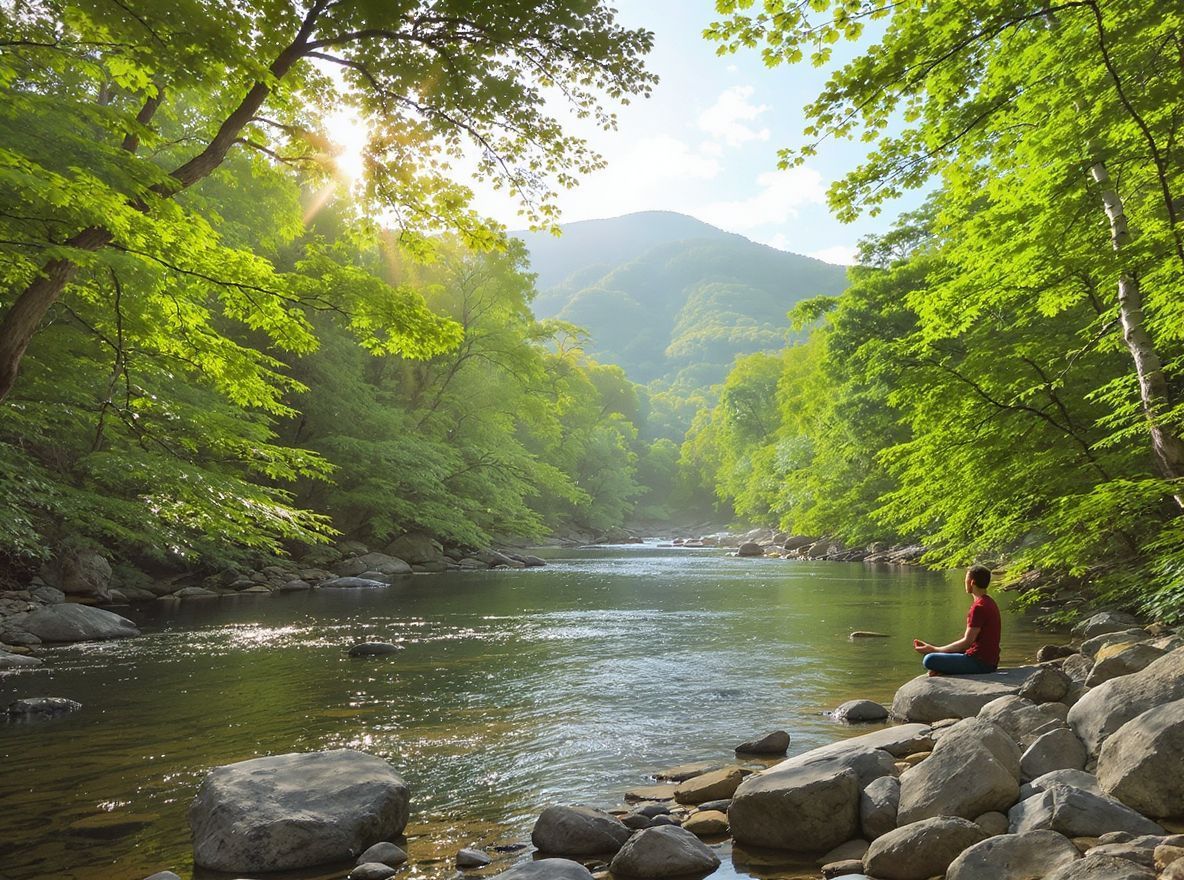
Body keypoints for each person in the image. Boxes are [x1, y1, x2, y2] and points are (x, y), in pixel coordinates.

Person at [912, 565, 1001, 675]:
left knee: (929, 659)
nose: (965, 582)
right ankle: (945, 668)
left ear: (971, 582)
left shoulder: (979, 607)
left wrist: (934, 649)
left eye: (966, 579)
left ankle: (944, 667)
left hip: (981, 663)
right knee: (939, 656)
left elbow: (967, 642)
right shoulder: (989, 602)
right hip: (989, 660)